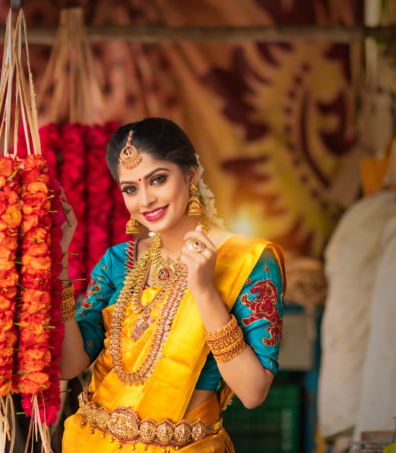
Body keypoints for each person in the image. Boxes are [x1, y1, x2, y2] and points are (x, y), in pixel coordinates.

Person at [58, 118, 286, 452]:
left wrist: (205, 292)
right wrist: (60, 260)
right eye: (131, 189)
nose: (146, 200)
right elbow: (70, 364)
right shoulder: (119, 261)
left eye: (158, 179)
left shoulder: (248, 261)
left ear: (191, 175)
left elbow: (253, 393)